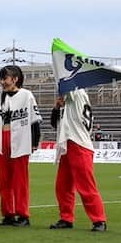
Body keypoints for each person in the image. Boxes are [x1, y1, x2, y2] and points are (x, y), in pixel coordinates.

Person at [49, 89, 107, 231]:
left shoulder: (76, 93)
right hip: (69, 143)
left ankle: (99, 220)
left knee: (86, 185)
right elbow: (54, 123)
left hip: (78, 143)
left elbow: (67, 83)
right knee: (63, 185)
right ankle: (66, 218)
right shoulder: (71, 102)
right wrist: (57, 107)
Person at [0, 64, 41, 227]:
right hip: (2, 139)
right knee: (4, 181)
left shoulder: (27, 95)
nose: (2, 82)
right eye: (1, 79)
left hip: (20, 140)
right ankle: (8, 214)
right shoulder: (2, 96)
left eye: (5, 78)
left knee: (20, 180)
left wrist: (35, 142)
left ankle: (23, 215)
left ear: (15, 79)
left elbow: (35, 121)